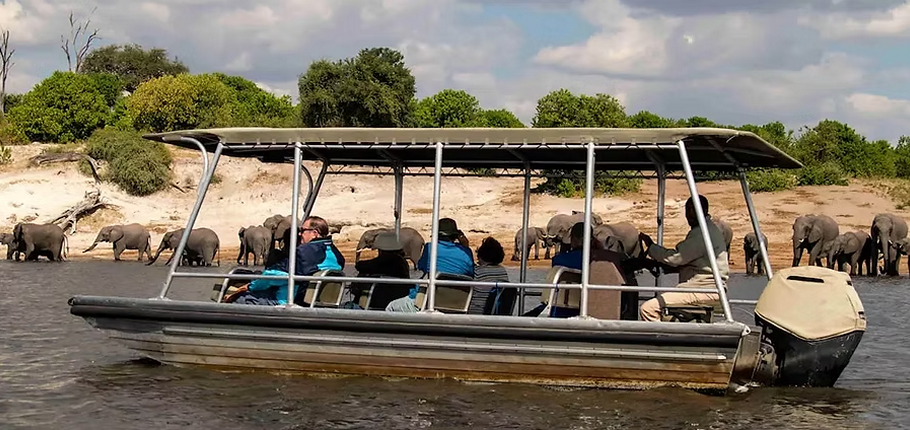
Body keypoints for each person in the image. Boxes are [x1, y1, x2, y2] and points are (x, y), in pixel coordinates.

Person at [638, 195, 729, 322]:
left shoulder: (703, 233)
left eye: (694, 209)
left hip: (703, 290)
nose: (690, 214)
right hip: (704, 288)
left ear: (704, 210)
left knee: (648, 309)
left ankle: (661, 335)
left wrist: (651, 247)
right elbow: (690, 261)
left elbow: (676, 258)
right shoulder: (706, 230)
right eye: (688, 209)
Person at [233, 216, 345, 306]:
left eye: (303, 230)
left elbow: (274, 276)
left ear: (314, 233)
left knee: (240, 299)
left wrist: (251, 286)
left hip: (286, 301)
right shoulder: (337, 255)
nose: (299, 234)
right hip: (316, 302)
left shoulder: (303, 253)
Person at [386, 217, 474, 312]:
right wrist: (465, 246)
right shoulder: (466, 253)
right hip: (455, 305)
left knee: (391, 307)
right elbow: (470, 272)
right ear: (455, 236)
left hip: (427, 303)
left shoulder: (430, 248)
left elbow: (421, 266)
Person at [347, 232, 411, 308]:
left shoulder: (386, 260)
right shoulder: (402, 261)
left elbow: (361, 266)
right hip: (398, 297)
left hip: (380, 299)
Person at [469, 237, 512, 315]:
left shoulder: (477, 271)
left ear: (480, 256)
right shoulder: (502, 271)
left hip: (476, 313)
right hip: (495, 313)